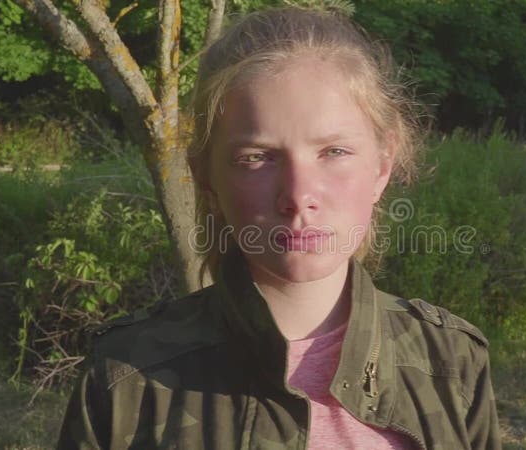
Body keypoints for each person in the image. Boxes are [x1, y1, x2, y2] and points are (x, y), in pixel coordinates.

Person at [58, 6, 500, 450]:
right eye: (256, 157)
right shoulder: (126, 376)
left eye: (334, 151)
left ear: (383, 165)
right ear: (207, 178)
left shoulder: (450, 363)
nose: (298, 194)